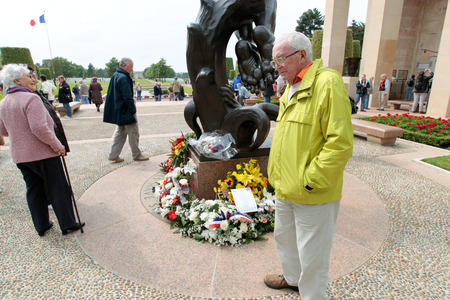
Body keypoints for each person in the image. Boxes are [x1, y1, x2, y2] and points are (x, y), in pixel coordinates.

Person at [265, 32, 353, 300]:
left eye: (281, 58)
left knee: (312, 254)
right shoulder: (290, 86)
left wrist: (310, 179)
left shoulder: (327, 83)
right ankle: (292, 279)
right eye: (274, 61)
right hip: (285, 187)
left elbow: (340, 143)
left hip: (311, 190)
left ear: (302, 55)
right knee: (285, 240)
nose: (277, 65)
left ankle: (313, 296)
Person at [0, 64, 84, 236]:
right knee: (58, 188)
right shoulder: (30, 98)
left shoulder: (4, 102)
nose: (32, 78)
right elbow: (39, 128)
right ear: (17, 81)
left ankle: (42, 225)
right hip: (42, 153)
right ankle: (68, 223)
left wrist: (19, 132)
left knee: (34, 190)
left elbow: (3, 131)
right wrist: (57, 145)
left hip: (20, 155)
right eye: (27, 76)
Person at [103, 57, 149, 162]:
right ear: (124, 66)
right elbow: (127, 96)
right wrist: (132, 110)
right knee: (133, 132)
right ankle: (137, 154)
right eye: (130, 67)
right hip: (126, 110)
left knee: (121, 132)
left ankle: (113, 154)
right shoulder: (123, 77)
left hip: (119, 109)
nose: (132, 70)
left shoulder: (115, 75)